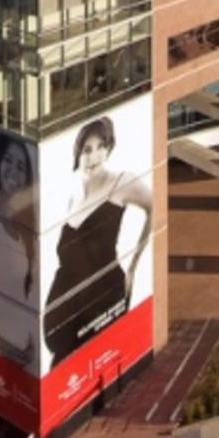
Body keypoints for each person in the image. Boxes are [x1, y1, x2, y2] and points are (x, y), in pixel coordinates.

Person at [44, 115, 152, 368]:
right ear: (77, 153)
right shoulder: (73, 198)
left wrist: (134, 265)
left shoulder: (121, 182)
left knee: (95, 367)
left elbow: (155, 207)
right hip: (69, 318)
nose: (94, 157)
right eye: (87, 150)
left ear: (109, 148)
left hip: (102, 302)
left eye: (101, 147)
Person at [0, 132, 38, 369]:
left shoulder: (26, 218)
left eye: (21, 166)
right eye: (7, 160)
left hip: (26, 345)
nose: (13, 172)